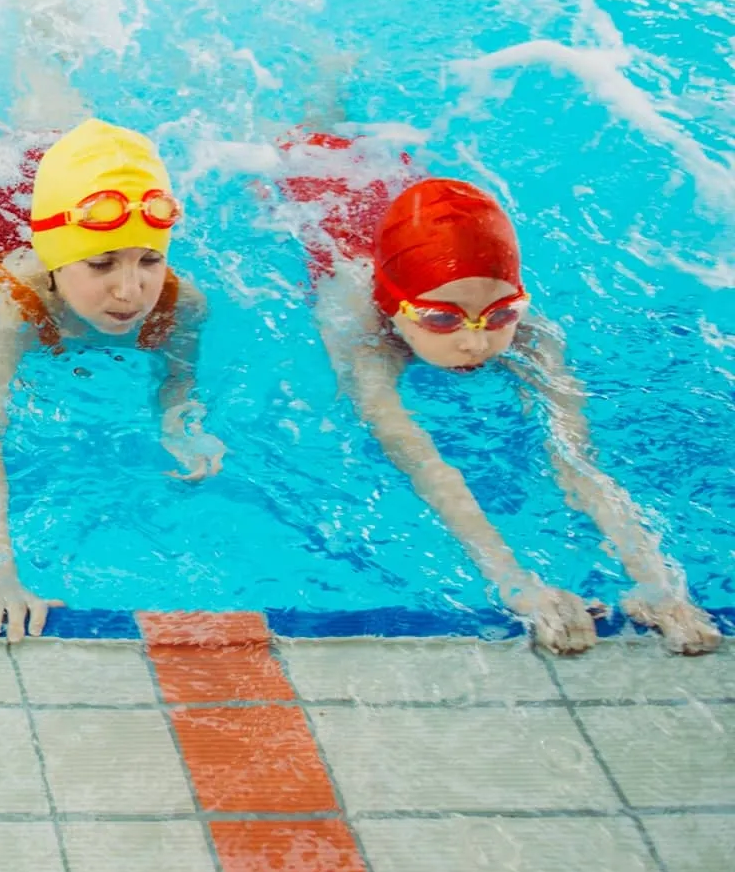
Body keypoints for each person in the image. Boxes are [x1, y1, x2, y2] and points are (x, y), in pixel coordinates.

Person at [289, 140, 719, 655]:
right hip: (319, 187)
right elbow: (426, 465)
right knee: (316, 131)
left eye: (500, 315)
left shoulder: (530, 330)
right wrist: (516, 583)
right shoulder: (357, 322)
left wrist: (661, 587)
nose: (475, 341)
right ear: (394, 307)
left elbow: (575, 462)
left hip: (413, 209)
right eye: (442, 318)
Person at [0, 118, 220, 639]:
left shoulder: (183, 306)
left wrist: (181, 424)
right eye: (101, 265)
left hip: (69, 196)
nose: (130, 291)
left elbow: (178, 384)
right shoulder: (9, 309)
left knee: (57, 112)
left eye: (150, 260)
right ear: (56, 263)